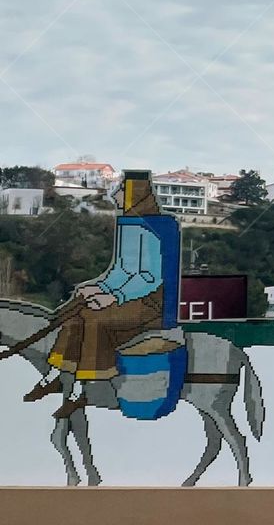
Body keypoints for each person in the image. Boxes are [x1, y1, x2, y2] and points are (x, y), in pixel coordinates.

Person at [24, 170, 180, 419]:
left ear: (134, 195)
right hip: (127, 295)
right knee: (75, 315)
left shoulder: (152, 228)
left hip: (150, 303)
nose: (116, 195)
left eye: (121, 190)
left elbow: (149, 277)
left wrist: (113, 296)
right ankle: (55, 378)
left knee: (95, 320)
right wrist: (98, 288)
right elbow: (121, 270)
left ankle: (81, 393)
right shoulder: (127, 224)